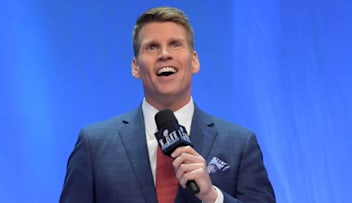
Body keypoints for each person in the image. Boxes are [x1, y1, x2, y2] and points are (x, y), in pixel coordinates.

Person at [59, 6, 275, 203]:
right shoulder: (94, 145)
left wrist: (212, 196)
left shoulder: (240, 144)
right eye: (152, 47)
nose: (164, 54)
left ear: (194, 61)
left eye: (175, 44)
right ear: (135, 67)